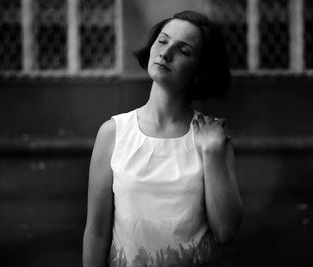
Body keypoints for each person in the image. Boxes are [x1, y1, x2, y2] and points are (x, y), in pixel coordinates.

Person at [83, 10, 243, 267]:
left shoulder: (213, 138)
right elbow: (96, 232)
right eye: (163, 40)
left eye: (184, 50)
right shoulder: (113, 133)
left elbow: (226, 232)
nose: (166, 53)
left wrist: (212, 152)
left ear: (200, 70)